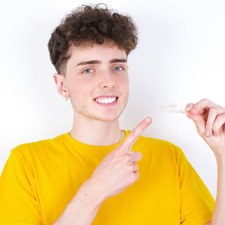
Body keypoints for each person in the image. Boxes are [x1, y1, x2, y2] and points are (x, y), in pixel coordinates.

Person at [0, 4, 224, 225]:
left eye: (117, 67)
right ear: (61, 85)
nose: (108, 81)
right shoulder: (25, 163)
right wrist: (95, 191)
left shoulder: (169, 157)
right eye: (88, 70)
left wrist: (223, 153)